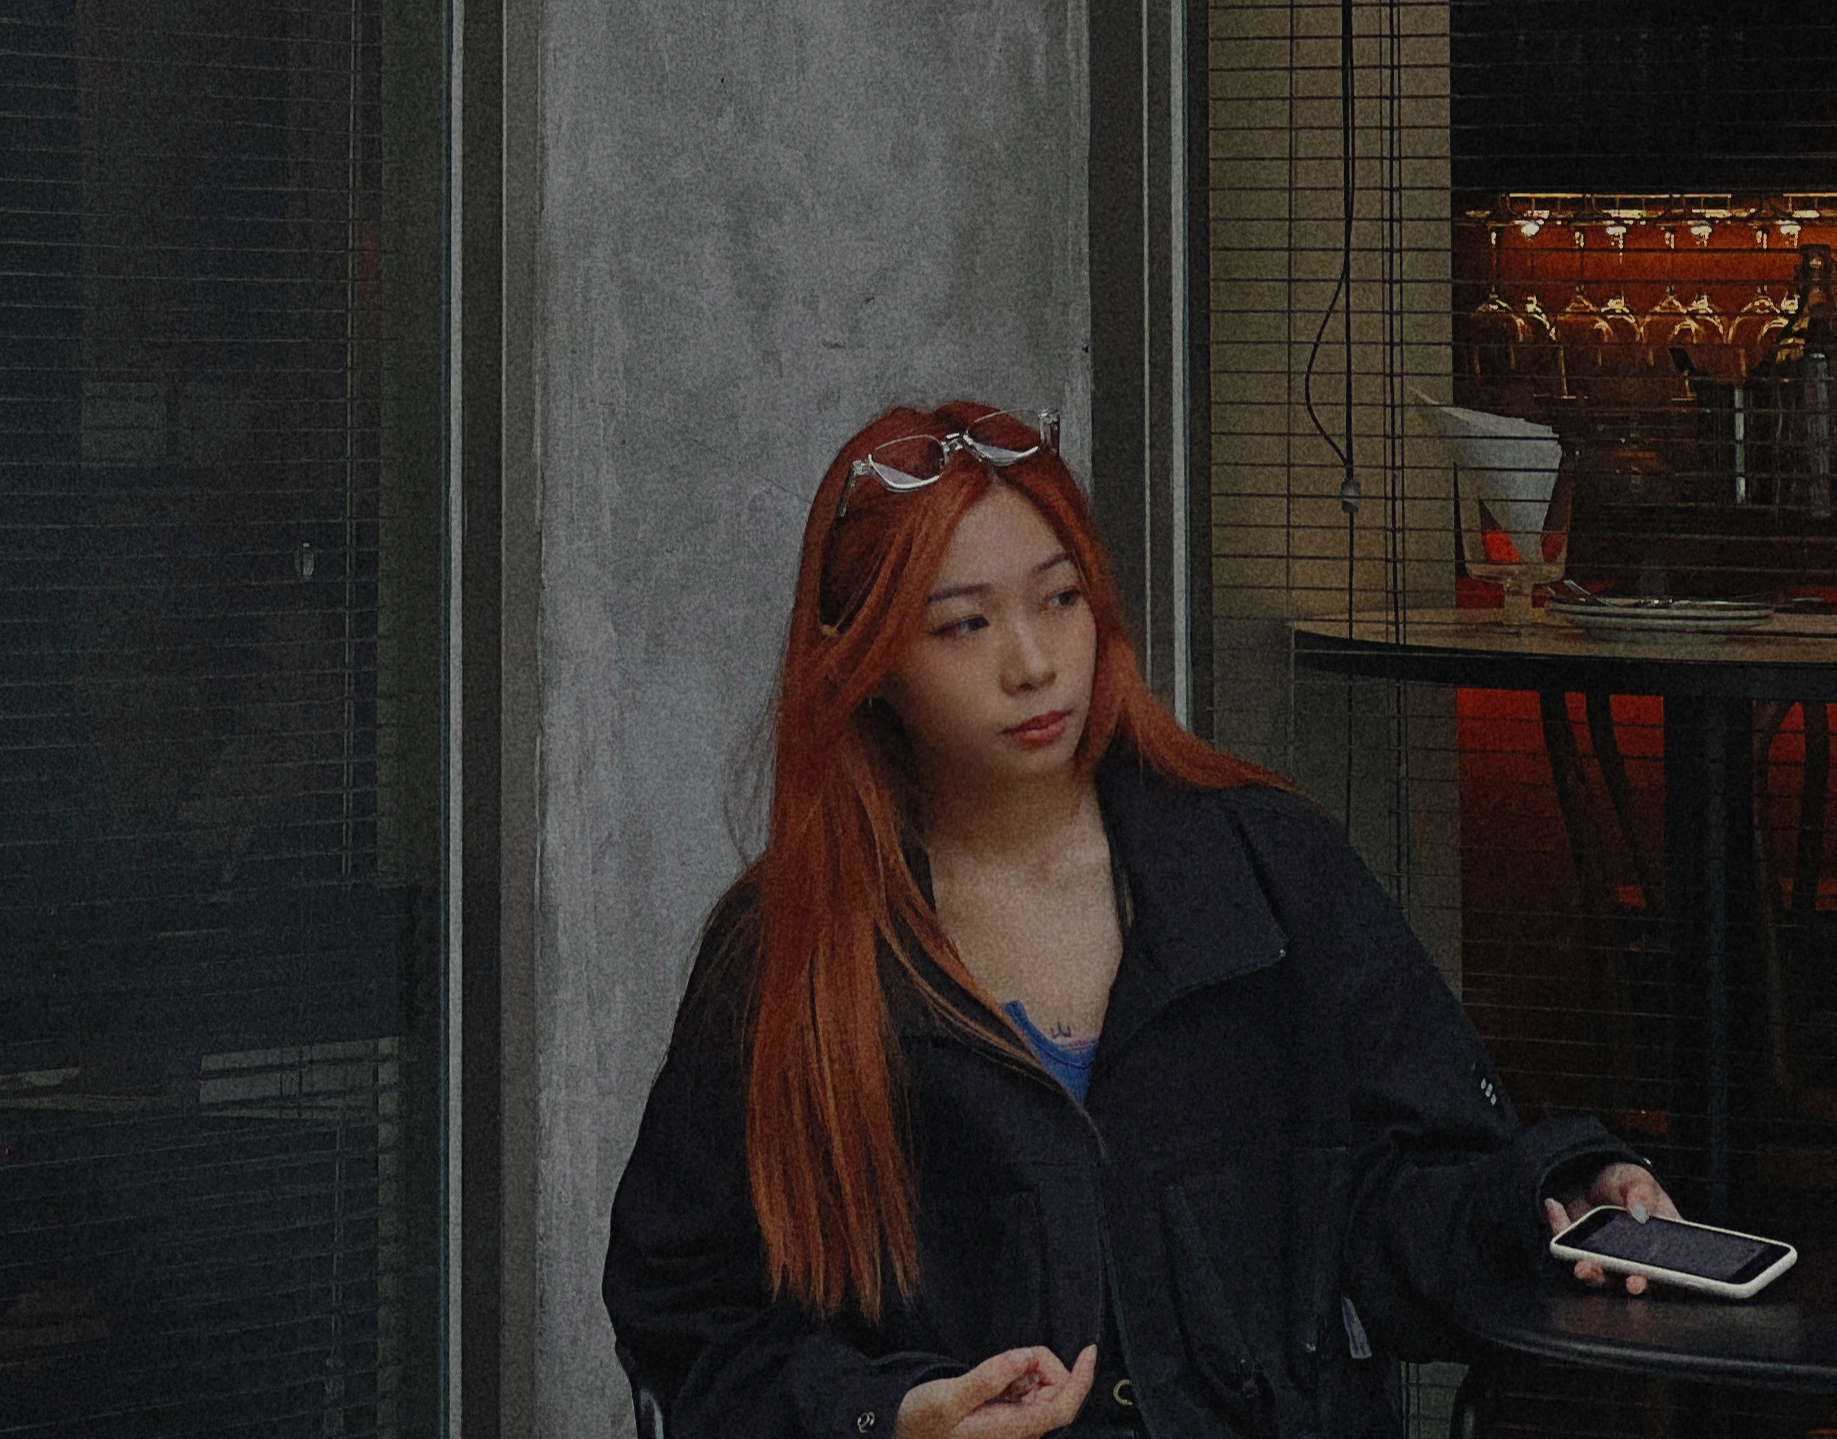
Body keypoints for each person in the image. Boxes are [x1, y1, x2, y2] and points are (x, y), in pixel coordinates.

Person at [605, 400, 1679, 1439]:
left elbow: (1395, 1201)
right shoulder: (792, 946)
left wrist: (1552, 1201)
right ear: (869, 661)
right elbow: (690, 1315)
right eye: (965, 624)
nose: (1033, 663)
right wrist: (888, 1415)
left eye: (1059, 599)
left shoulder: (1266, 866)